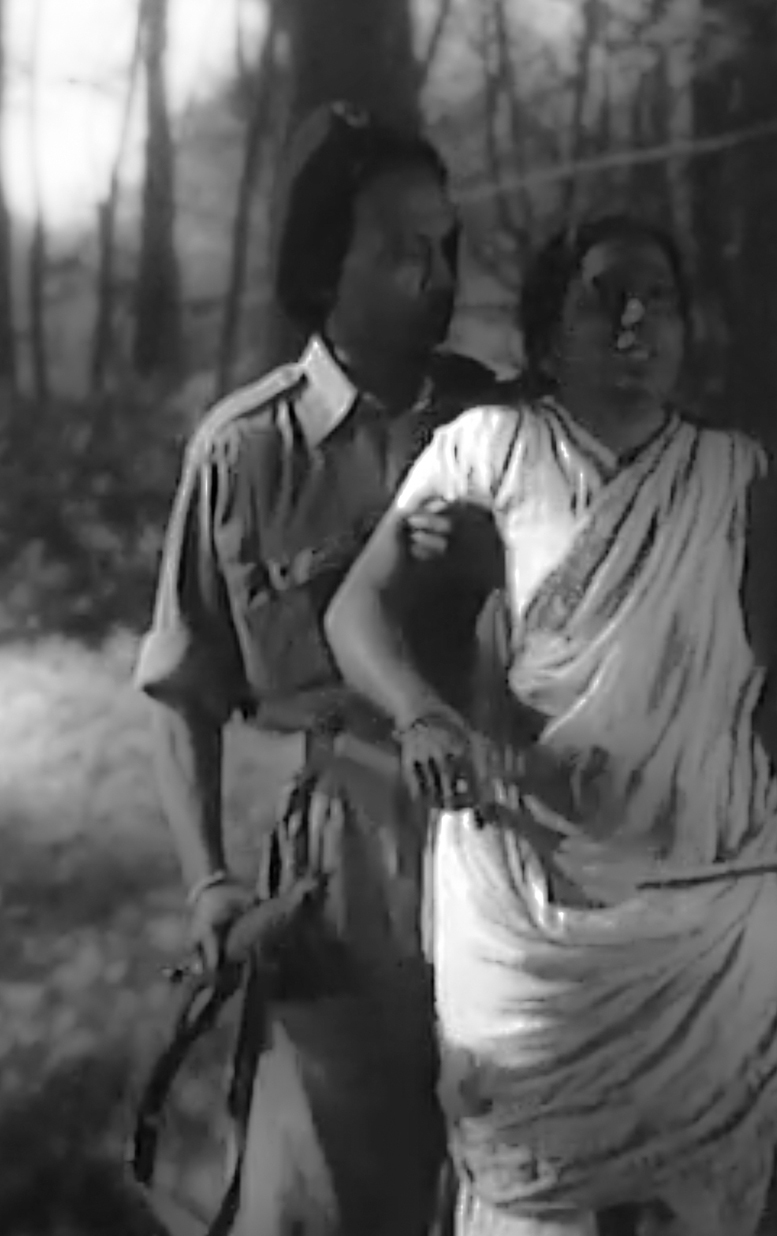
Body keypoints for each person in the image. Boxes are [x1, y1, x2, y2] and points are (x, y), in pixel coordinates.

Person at [323, 214, 777, 1236]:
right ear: (550, 330)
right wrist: (424, 717)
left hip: (709, 900)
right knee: (531, 1202)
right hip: (528, 903)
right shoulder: (487, 450)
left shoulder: (739, 479)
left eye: (658, 296)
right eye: (603, 296)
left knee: (720, 1200)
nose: (634, 318)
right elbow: (356, 610)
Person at [134, 102, 507, 1236]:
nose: (434, 275)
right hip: (337, 873)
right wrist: (212, 887)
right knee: (327, 1193)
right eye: (402, 249)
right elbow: (183, 695)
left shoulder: (498, 424)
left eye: (446, 246)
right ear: (323, 263)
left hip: (502, 843)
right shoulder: (245, 454)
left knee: (507, 1172)